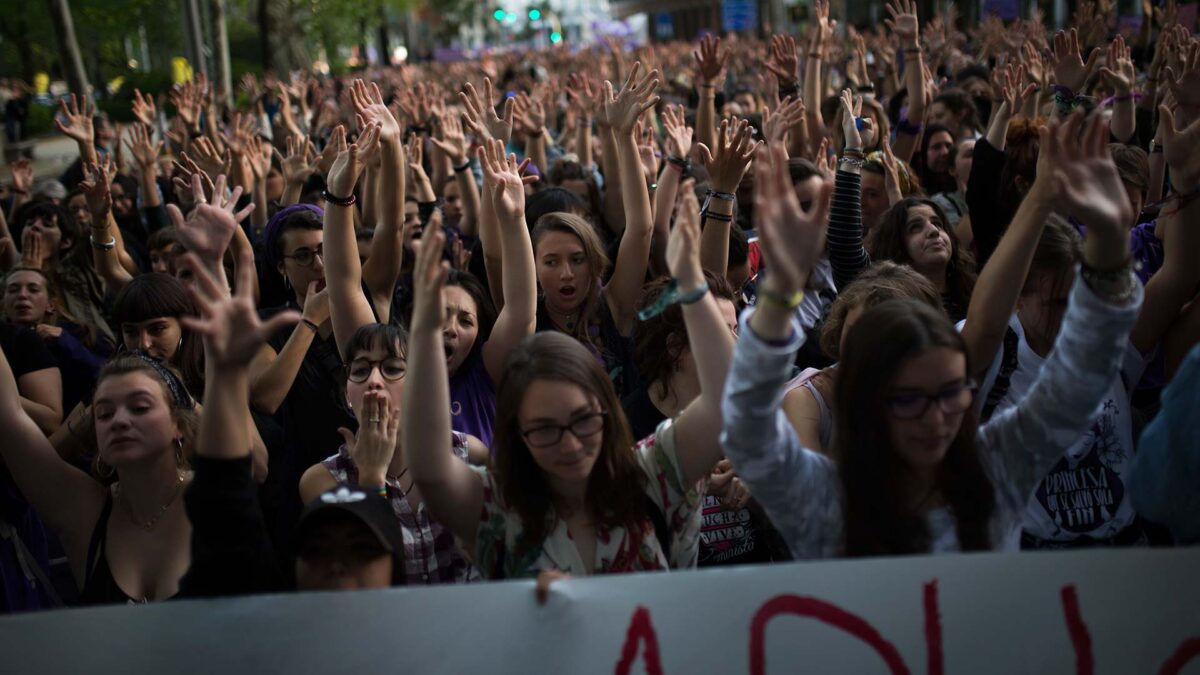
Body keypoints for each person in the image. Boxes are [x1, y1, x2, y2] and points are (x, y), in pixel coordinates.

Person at [720, 112, 1144, 559]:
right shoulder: (826, 500)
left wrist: (1110, 240)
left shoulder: (995, 469)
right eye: (910, 399)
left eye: (950, 394)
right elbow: (748, 430)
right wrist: (783, 286)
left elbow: (1083, 375)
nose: (938, 418)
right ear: (866, 399)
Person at [404, 163, 735, 581]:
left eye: (583, 420)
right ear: (516, 433)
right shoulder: (500, 509)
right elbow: (431, 468)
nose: (571, 443)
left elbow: (726, 402)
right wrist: (424, 333)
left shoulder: (653, 474)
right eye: (544, 428)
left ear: (608, 412)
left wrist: (692, 284)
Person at [175, 248, 408, 595]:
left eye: (391, 369)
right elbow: (370, 581)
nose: (374, 381)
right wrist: (372, 477)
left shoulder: (463, 456)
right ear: (346, 393)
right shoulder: (320, 480)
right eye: (360, 371)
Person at [0, 347, 198, 604]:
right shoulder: (85, 512)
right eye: (104, 414)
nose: (119, 421)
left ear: (179, 425)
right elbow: (9, 419)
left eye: (139, 407)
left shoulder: (215, 497)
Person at [3, 266, 113, 412]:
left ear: (51, 305)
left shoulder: (82, 333)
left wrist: (66, 342)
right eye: (13, 290)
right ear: (3, 303)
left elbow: (110, 373)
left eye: (33, 289)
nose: (22, 295)